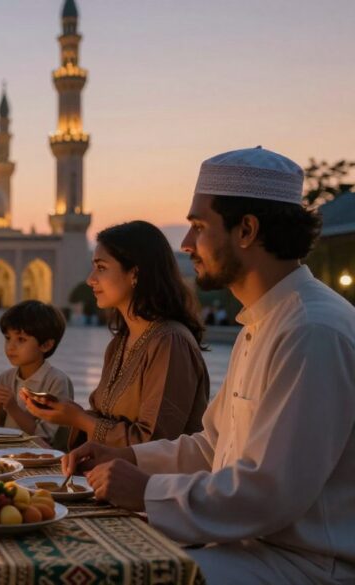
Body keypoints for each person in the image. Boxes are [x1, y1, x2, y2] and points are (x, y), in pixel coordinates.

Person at [65, 147, 355, 583]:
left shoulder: (311, 329)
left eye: (199, 227)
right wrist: (127, 457)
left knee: (110, 574)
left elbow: (268, 493)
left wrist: (147, 491)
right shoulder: (263, 323)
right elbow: (211, 448)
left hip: (305, 566)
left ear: (247, 230)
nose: (186, 244)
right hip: (250, 547)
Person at [24, 221, 209, 447]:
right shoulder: (120, 343)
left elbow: (155, 443)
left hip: (151, 472)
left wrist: (79, 419)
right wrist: (65, 412)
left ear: (135, 274)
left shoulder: (170, 342)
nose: (90, 279)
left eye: (101, 268)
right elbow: (103, 419)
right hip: (108, 469)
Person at [0, 300, 74, 448]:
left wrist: (13, 408)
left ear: (46, 345)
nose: (11, 346)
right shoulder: (6, 378)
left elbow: (45, 437)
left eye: (21, 339)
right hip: (6, 452)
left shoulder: (56, 381)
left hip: (43, 456)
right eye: (8, 338)